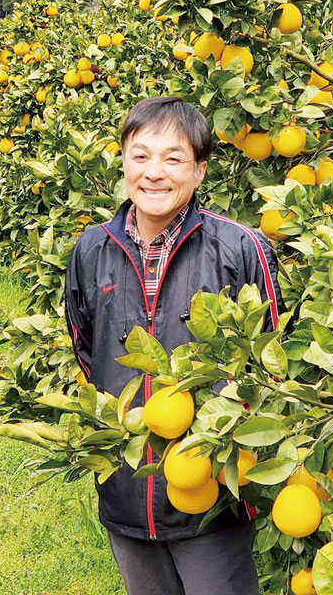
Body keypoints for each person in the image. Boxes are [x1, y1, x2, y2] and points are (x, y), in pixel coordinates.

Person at [65, 96, 284, 595]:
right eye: (140, 156)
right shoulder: (90, 249)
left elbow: (272, 362)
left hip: (211, 487)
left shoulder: (239, 248)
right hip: (125, 480)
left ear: (200, 171)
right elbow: (87, 348)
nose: (154, 173)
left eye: (173, 158)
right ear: (122, 161)